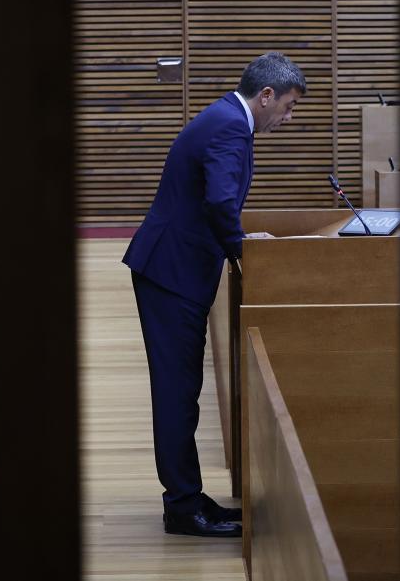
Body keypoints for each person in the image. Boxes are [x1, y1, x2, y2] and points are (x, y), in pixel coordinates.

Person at [122, 52, 305, 537]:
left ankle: (189, 497)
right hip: (171, 273)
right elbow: (221, 200)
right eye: (287, 107)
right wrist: (244, 250)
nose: (287, 119)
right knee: (177, 393)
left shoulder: (225, 117)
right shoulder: (229, 126)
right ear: (266, 96)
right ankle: (183, 509)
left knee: (182, 392)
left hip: (174, 270)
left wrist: (241, 244)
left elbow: (218, 198)